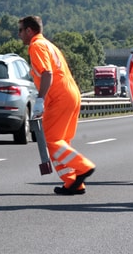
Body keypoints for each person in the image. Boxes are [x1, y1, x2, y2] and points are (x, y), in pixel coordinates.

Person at [18, 15, 96, 195]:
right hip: (70, 94)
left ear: (29, 31)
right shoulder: (48, 44)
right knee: (62, 142)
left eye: (20, 30)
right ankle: (73, 182)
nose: (19, 35)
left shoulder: (36, 46)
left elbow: (47, 73)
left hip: (59, 97)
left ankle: (83, 168)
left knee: (51, 140)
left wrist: (40, 99)